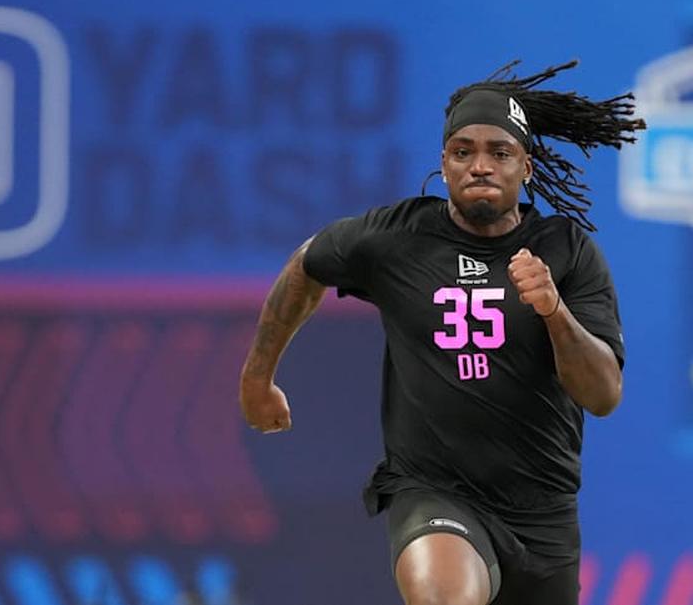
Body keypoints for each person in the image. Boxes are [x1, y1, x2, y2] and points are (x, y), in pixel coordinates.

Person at [238, 59, 644, 605]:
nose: (481, 166)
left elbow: (603, 395)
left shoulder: (567, 251)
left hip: (542, 512)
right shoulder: (396, 238)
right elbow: (306, 267)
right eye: (463, 152)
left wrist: (554, 312)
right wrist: (257, 380)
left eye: (499, 153)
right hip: (434, 492)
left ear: (526, 167)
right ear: (444, 164)